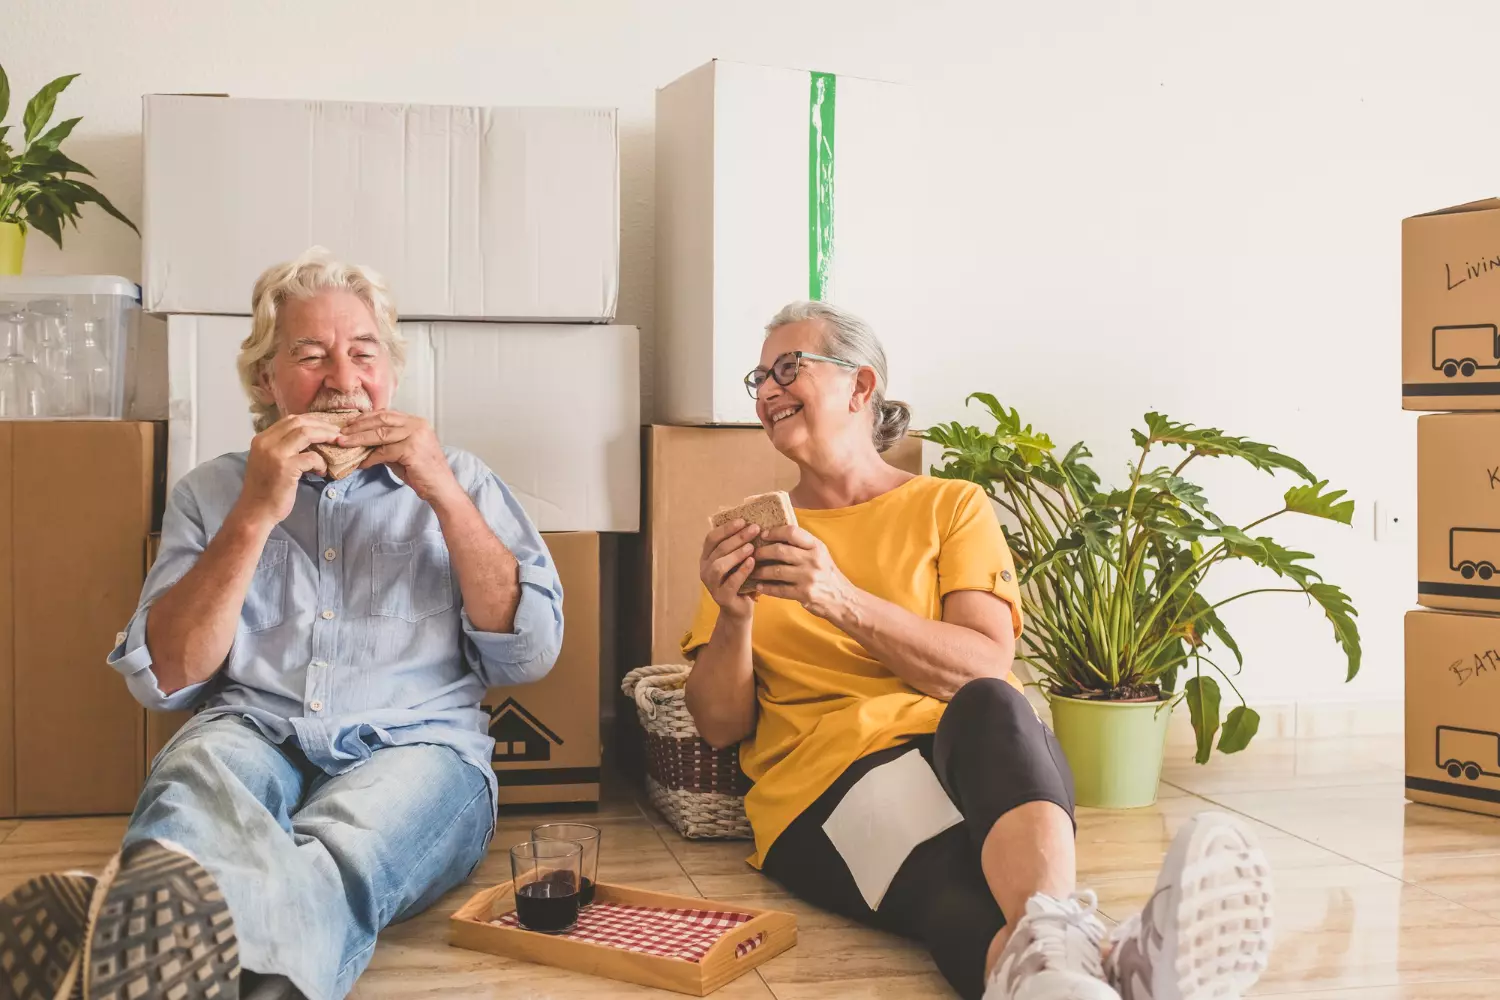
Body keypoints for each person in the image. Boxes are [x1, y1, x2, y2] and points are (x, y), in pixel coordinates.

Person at [0, 248, 564, 1000]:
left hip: (421, 748)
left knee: (342, 848)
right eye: (310, 356)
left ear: (389, 372)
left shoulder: (460, 477)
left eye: (363, 353)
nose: (342, 379)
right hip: (253, 731)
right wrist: (258, 510)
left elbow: (529, 652)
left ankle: (122, 965)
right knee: (194, 785)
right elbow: (167, 678)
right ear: (264, 380)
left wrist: (442, 493)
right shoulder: (214, 491)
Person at [683, 300, 1274, 1000]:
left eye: (789, 368)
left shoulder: (949, 506)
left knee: (993, 702)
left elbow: (983, 664)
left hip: (980, 755)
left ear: (861, 386)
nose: (769, 391)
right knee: (953, 885)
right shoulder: (752, 545)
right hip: (827, 780)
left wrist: (835, 595)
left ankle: (1058, 972)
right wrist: (733, 616)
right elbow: (719, 725)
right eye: (760, 378)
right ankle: (1107, 961)